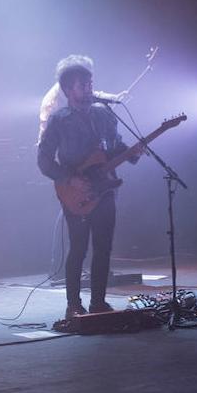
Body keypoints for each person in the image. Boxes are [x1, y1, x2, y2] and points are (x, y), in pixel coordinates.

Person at [37, 60, 142, 319]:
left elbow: (114, 147)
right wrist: (70, 179)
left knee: (103, 248)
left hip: (105, 190)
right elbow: (44, 161)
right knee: (79, 249)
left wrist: (132, 153)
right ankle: (73, 305)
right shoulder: (59, 120)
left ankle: (98, 303)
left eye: (90, 84)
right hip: (76, 193)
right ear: (68, 90)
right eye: (82, 85)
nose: (89, 89)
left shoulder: (103, 114)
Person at [38, 55, 127, 141]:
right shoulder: (52, 105)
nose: (88, 86)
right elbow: (46, 141)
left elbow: (93, 94)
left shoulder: (78, 87)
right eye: (84, 82)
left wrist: (114, 98)